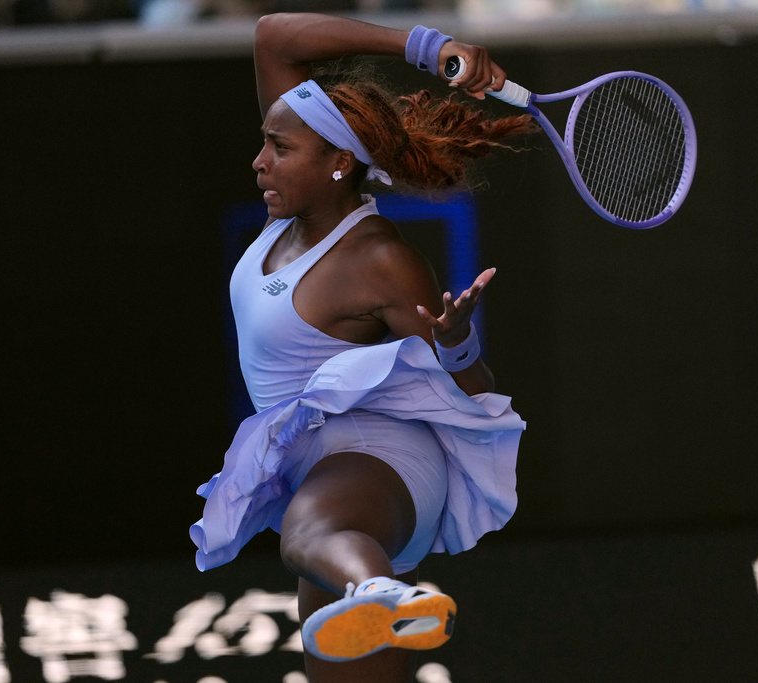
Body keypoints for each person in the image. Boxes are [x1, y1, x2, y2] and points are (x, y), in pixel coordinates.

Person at [190, 12, 532, 682]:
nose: (261, 159)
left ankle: (386, 594)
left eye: (279, 148)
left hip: (380, 459)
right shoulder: (290, 192)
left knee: (306, 535)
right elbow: (273, 36)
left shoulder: (379, 259)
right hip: (314, 465)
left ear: (339, 164)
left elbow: (477, 398)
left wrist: (457, 346)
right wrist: (429, 48)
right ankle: (377, 594)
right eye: (266, 142)